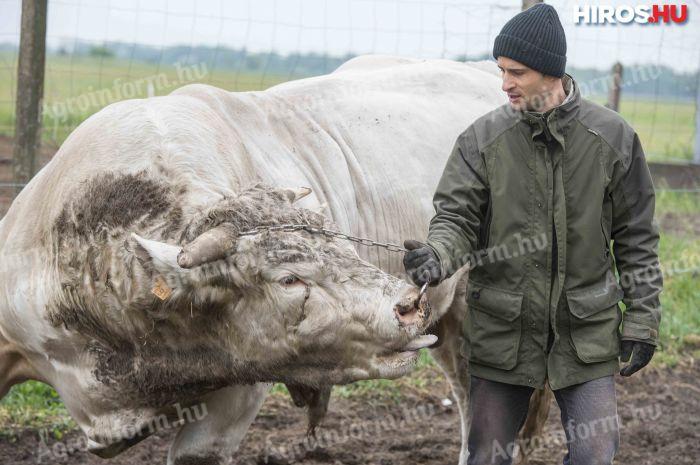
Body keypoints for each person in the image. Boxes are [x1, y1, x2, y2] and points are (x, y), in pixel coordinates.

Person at [402, 3, 662, 465]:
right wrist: (438, 257)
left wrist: (642, 320)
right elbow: (455, 220)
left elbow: (636, 238)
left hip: (586, 334)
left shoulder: (614, 140)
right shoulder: (480, 141)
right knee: (486, 456)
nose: (504, 84)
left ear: (550, 72)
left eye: (516, 72)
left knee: (595, 455)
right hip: (504, 334)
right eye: (501, 71)